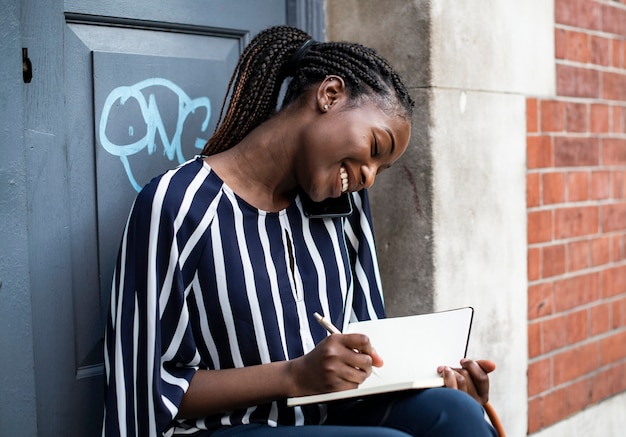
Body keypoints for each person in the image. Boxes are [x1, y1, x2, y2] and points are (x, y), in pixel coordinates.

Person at [103, 25, 497, 436]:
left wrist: (439, 381)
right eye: (374, 149)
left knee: (457, 415)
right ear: (329, 95)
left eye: (382, 168)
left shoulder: (344, 210)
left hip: (332, 420)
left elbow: (370, 358)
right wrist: (295, 375)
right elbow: (146, 388)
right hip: (226, 429)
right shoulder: (178, 204)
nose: (369, 177)